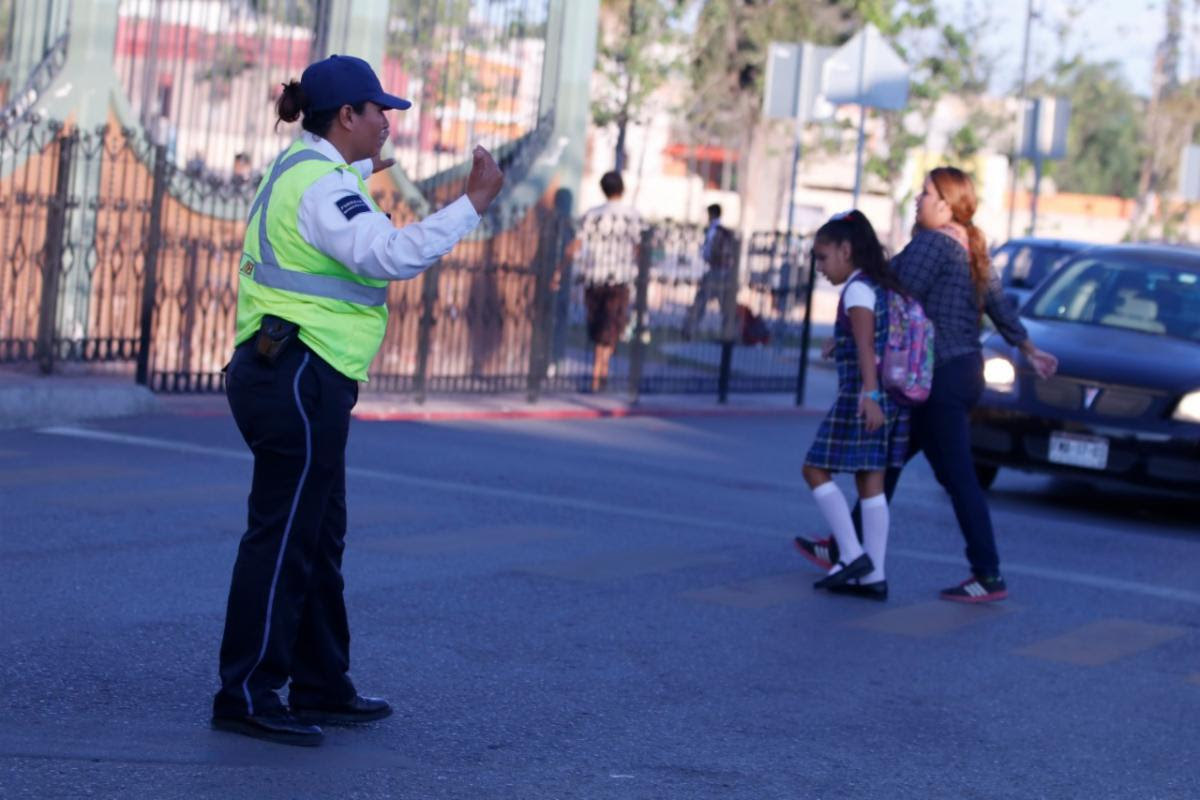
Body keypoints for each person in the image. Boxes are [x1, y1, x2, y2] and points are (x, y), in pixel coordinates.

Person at [211, 54, 503, 747]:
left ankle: (320, 682)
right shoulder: (321, 187)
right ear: (346, 116)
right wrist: (473, 204)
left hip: (297, 371)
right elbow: (388, 257)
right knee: (283, 536)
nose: (389, 122)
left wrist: (378, 167)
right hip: (297, 374)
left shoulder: (312, 170)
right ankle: (248, 691)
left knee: (316, 535)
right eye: (380, 111)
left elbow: (349, 187)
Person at [795, 167, 1058, 603]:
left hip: (939, 378)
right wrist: (1029, 348)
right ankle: (848, 549)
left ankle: (988, 574)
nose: (917, 200)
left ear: (946, 204)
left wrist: (847, 329)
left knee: (955, 476)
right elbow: (998, 304)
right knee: (887, 462)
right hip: (959, 373)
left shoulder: (934, 243)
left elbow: (887, 285)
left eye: (925, 193)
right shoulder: (971, 244)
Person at [802, 210, 909, 601]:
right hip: (883, 395)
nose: (819, 267)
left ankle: (851, 554)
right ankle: (874, 576)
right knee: (870, 480)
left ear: (846, 250)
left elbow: (866, 345)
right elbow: (866, 338)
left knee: (814, 468)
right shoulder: (879, 285)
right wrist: (837, 343)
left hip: (862, 396)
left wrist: (870, 396)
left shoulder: (858, 290)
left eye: (823, 257)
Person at [566, 171, 642, 392]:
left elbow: (577, 243)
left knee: (600, 324)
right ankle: (601, 372)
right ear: (622, 189)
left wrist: (561, 268)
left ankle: (599, 373)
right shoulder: (632, 216)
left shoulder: (592, 215)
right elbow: (639, 248)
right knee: (611, 325)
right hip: (619, 277)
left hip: (595, 276)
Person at [682, 203, 735, 339]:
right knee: (726, 307)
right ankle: (728, 335)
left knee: (701, 301)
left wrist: (708, 256)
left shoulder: (715, 230)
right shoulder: (724, 231)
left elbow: (709, 252)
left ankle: (689, 330)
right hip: (725, 271)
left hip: (716, 270)